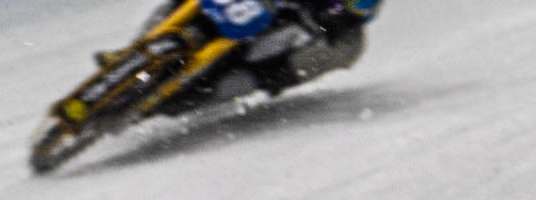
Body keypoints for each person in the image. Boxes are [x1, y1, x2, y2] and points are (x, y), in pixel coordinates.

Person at [106, 0, 381, 114]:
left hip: (287, 25)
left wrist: (328, 20)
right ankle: (135, 51)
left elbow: (354, 14)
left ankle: (207, 92)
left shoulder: (350, 33)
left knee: (336, 49)